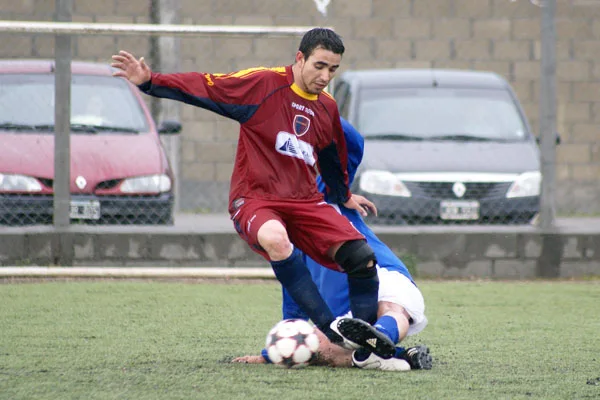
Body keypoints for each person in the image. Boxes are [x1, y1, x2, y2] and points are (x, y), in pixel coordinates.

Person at [111, 28, 395, 358]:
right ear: (299, 58)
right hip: (256, 197)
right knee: (276, 239)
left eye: (333, 69)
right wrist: (151, 82)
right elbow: (205, 85)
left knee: (361, 257)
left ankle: (362, 343)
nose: (325, 76)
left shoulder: (326, 108)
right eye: (319, 66)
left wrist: (343, 194)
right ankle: (330, 328)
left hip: (305, 201)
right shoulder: (263, 84)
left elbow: (333, 156)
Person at [232, 118, 432, 371]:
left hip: (382, 272)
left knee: (392, 308)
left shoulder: (324, 192)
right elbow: (294, 295)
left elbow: (352, 142)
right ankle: (392, 354)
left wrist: (308, 107)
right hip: (348, 316)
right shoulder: (280, 231)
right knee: (318, 351)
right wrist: (276, 350)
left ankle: (380, 337)